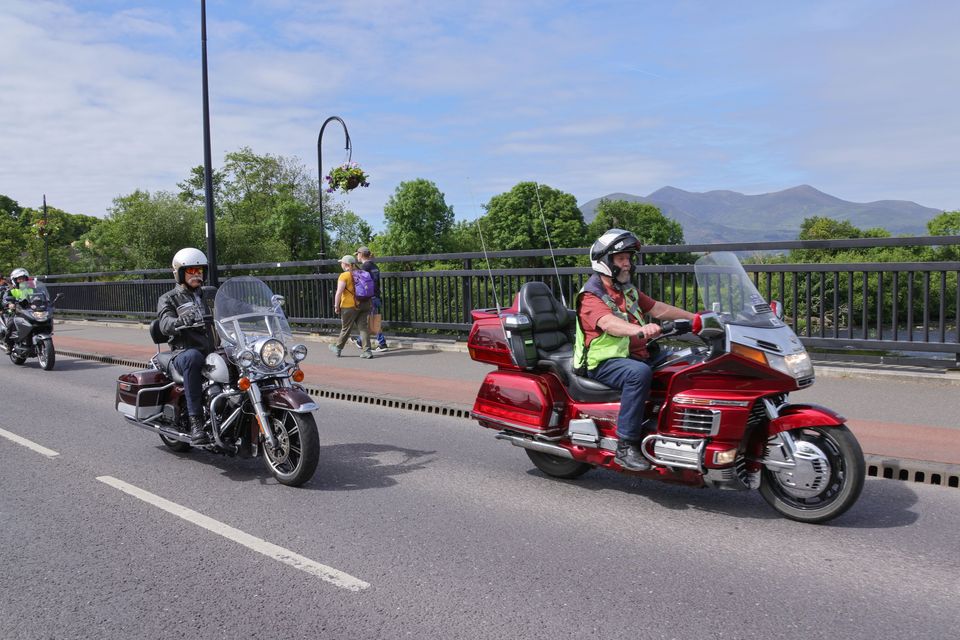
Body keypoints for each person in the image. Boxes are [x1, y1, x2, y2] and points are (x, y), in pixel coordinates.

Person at [574, 229, 695, 471]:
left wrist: (697, 318)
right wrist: (638, 330)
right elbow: (608, 323)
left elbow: (657, 308)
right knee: (637, 374)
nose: (627, 264)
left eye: (629, 258)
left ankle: (677, 429)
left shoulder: (626, 289)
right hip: (603, 362)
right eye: (621, 259)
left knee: (688, 361)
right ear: (606, 262)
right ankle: (625, 446)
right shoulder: (590, 295)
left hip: (635, 353)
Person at [157, 248, 217, 444]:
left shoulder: (211, 293)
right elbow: (165, 324)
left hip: (212, 351)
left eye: (199, 271)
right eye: (191, 271)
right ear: (180, 273)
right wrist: (180, 320)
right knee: (194, 358)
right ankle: (196, 422)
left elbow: (233, 307)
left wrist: (264, 309)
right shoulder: (169, 298)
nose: (196, 275)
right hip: (183, 353)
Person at [329, 255, 373, 359]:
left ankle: (338, 348)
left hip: (349, 306)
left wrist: (336, 306)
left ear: (346, 265)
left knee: (346, 328)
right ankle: (367, 351)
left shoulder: (344, 275)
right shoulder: (363, 273)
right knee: (363, 328)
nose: (341, 265)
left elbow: (339, 292)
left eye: (342, 263)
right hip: (364, 304)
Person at [351, 246, 388, 351]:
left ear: (361, 254)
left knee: (368, 320)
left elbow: (359, 284)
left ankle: (381, 343)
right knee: (372, 320)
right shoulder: (374, 266)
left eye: (357, 254)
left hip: (368, 297)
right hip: (376, 296)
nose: (356, 256)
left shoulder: (364, 267)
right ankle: (362, 340)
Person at [2, 268, 34, 350]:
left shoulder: (30, 289)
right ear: (15, 280)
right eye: (19, 279)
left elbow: (37, 296)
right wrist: (9, 304)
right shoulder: (11, 290)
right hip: (16, 311)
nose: (21, 280)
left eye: (23, 278)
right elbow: (5, 299)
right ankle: (9, 344)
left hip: (29, 311)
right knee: (11, 324)